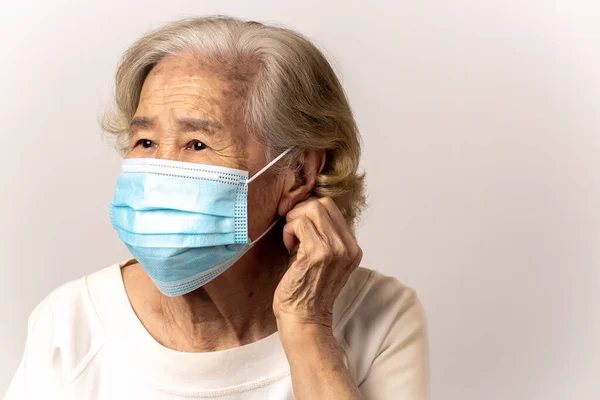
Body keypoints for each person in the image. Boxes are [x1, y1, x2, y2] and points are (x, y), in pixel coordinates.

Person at [4, 16, 429, 400]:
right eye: (146, 142)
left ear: (297, 173)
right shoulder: (71, 321)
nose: (160, 171)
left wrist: (308, 326)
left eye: (197, 144)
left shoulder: (379, 317)